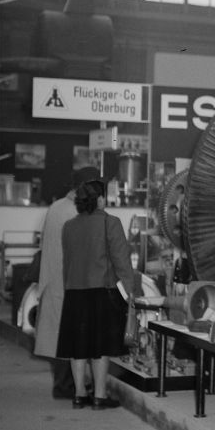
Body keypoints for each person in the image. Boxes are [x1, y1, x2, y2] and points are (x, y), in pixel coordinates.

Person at [56, 178, 139, 410]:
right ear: (100, 199)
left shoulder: (69, 226)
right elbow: (122, 261)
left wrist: (68, 287)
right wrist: (132, 292)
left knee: (78, 345)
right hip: (102, 292)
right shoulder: (110, 223)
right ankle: (100, 396)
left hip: (74, 292)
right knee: (100, 346)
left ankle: (80, 394)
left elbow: (68, 262)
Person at [34, 166, 102, 399]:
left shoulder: (56, 207)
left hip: (55, 280)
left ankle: (64, 385)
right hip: (70, 281)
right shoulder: (76, 212)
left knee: (59, 333)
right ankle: (69, 387)